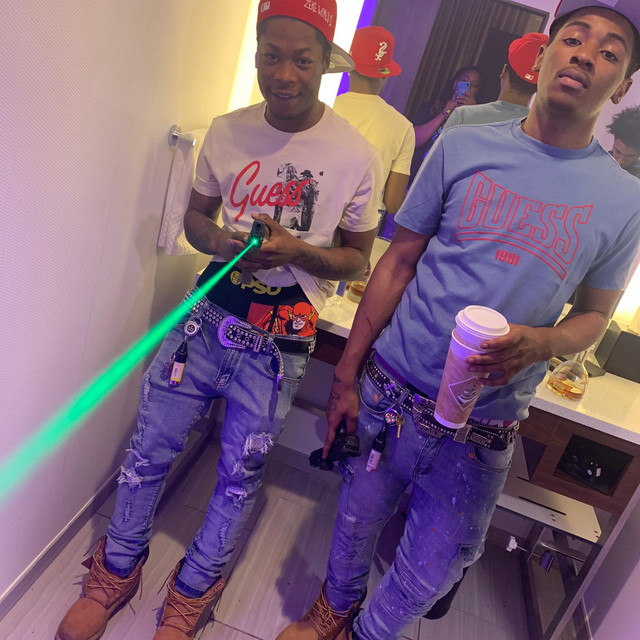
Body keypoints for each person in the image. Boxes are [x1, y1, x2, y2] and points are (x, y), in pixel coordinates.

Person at [276, 1, 640, 638]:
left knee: (433, 569)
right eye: (574, 38)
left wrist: (543, 342)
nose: (585, 54)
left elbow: (594, 318)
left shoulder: (624, 198)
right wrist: (347, 376)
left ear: (623, 85)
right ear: (545, 52)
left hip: (484, 424)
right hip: (392, 390)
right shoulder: (466, 139)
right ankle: (332, 609)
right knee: (355, 522)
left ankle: (367, 633)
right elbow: (397, 263)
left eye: (609, 52)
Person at [55, 1, 383, 639]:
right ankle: (116, 567)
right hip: (204, 318)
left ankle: (194, 590)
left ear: (326, 63)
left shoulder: (356, 155)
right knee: (150, 446)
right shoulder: (227, 131)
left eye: (302, 60)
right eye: (271, 56)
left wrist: (297, 253)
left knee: (239, 475)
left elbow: (356, 260)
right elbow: (194, 219)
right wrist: (221, 241)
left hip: (281, 341)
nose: (283, 74)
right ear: (256, 53)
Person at [333, 26, 415, 220]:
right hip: (363, 222)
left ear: (349, 68)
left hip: (318, 208)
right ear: (385, 74)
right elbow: (393, 203)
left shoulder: (324, 107)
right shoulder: (403, 127)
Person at [444, 32, 548, 129]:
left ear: (504, 71)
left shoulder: (462, 116)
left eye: (475, 85)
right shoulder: (537, 131)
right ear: (539, 86)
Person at [409, 66, 483, 183]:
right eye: (465, 81)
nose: (468, 87)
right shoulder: (431, 108)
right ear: (455, 84)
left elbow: (474, 154)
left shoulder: (478, 121)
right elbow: (413, 139)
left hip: (441, 184)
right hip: (413, 177)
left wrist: (472, 114)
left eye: (474, 85)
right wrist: (443, 114)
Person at [607, 104, 640, 177]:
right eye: (617, 152)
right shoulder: (597, 161)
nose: (620, 161)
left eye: (630, 156)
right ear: (614, 140)